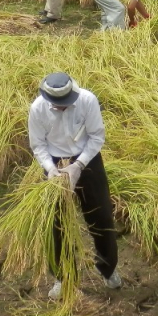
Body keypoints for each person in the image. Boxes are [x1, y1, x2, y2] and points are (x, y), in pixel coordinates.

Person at [28, 73, 121, 299]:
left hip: (87, 162)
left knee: (102, 217)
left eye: (65, 104)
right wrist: (51, 169)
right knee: (57, 224)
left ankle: (108, 269)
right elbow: (38, 144)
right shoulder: (38, 108)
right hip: (55, 164)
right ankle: (63, 278)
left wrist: (78, 165)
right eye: (57, 105)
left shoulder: (87, 100)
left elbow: (97, 137)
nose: (61, 108)